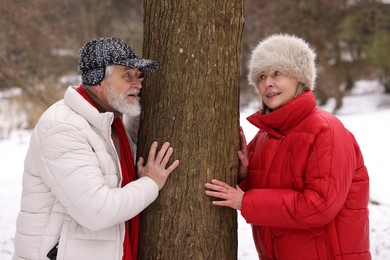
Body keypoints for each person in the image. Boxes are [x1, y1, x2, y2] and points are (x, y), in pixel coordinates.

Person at [205, 34, 371, 259]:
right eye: (261, 76)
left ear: (300, 78)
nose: (268, 83)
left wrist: (245, 201)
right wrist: (245, 175)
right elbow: (273, 189)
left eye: (277, 73)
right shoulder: (265, 135)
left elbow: (319, 205)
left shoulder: (326, 130)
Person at [13, 37, 180, 260]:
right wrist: (150, 183)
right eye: (127, 75)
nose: (138, 83)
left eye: (137, 75)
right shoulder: (62, 128)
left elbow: (117, 161)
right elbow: (96, 212)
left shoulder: (108, 123)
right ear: (97, 81)